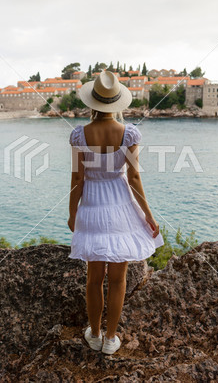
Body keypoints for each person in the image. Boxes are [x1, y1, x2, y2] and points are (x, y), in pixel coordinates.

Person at [67, 70, 164, 355]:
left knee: (93, 278)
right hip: (121, 205)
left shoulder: (78, 135)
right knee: (118, 279)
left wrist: (73, 214)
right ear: (117, 102)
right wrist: (148, 214)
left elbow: (77, 179)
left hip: (92, 206)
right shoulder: (129, 134)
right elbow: (133, 179)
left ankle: (94, 333)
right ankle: (110, 339)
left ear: (92, 103)